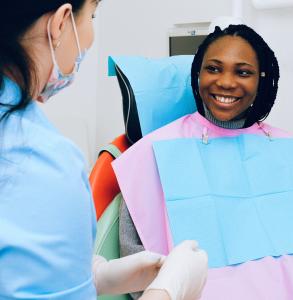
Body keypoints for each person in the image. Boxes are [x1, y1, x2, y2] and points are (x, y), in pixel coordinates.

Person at [114, 24, 293, 299]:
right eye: (213, 68)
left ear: (261, 80)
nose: (225, 82)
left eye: (243, 72)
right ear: (197, 74)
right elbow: (135, 263)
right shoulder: (154, 151)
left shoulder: (291, 151)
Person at [0, 1, 208, 299]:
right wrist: (167, 291)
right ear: (61, 23)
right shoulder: (44, 163)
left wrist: (92, 274)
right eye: (92, 16)